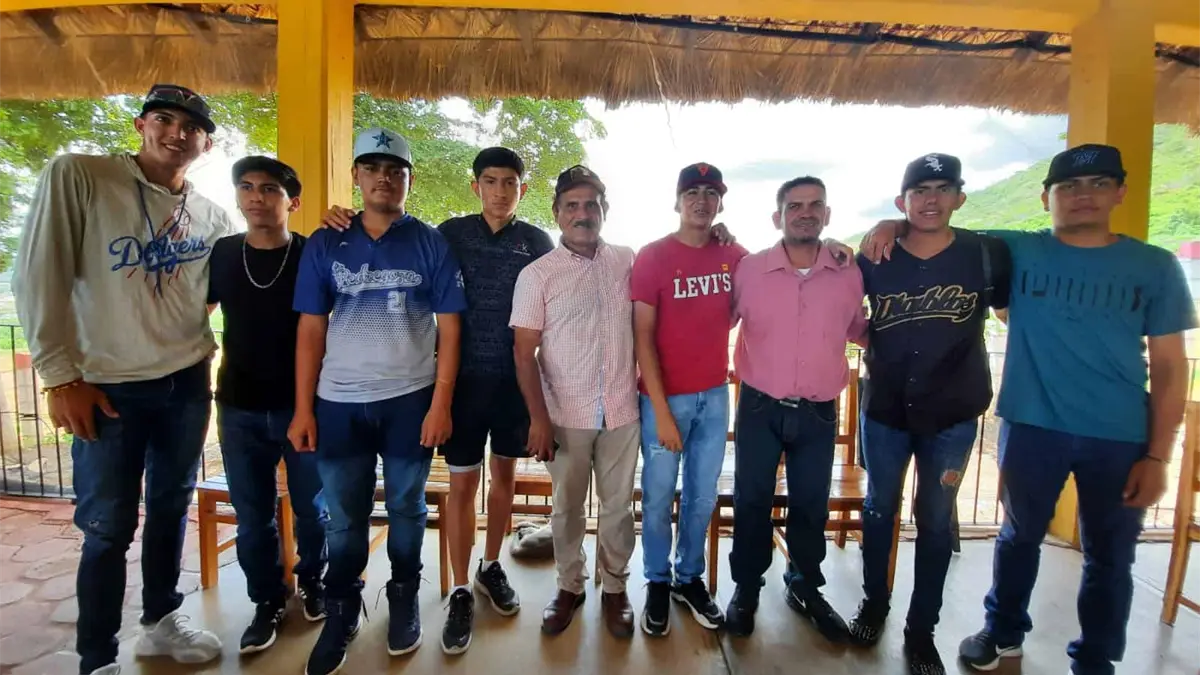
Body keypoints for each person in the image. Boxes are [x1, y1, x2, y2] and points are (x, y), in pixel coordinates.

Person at [860, 144, 1194, 675]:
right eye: (1068, 187)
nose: (1083, 196)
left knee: (1110, 556)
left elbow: (1173, 367)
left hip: (1119, 432)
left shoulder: (1151, 266)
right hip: (1031, 425)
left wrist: (1158, 456)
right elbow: (929, 228)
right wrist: (888, 223)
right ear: (1046, 198)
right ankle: (1001, 634)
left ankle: (1094, 661)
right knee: (1017, 539)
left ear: (1121, 193)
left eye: (1099, 184)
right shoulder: (1016, 249)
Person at [13, 84, 230, 675]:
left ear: (207, 144)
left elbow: (210, 293)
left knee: (171, 506)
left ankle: (160, 621)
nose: (177, 133)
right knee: (107, 526)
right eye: (164, 119)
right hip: (107, 388)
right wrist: (60, 376)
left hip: (187, 382)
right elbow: (38, 276)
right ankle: (98, 658)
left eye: (192, 127)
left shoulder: (212, 216)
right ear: (140, 124)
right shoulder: (80, 176)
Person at [324, 147, 556, 653]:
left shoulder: (538, 242)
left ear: (522, 189)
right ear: (476, 187)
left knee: (504, 480)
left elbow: (557, 303)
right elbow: (393, 233)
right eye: (490, 181)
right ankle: (459, 588)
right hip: (460, 383)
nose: (500, 191)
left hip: (515, 383)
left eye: (510, 182)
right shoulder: (448, 234)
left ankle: (490, 566)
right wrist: (342, 215)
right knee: (462, 485)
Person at [289, 127, 466, 675]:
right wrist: (303, 408)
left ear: (409, 179)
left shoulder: (430, 242)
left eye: (395, 171)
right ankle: (342, 609)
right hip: (338, 403)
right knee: (344, 516)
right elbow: (310, 329)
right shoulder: (326, 241)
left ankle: (404, 596)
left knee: (409, 507)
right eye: (372, 168)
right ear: (356, 176)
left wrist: (440, 404)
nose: (384, 178)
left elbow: (451, 328)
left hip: (411, 400)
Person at [848, 154, 1012, 675]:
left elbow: (1013, 314)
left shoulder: (986, 255)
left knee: (936, 520)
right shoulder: (874, 255)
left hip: (953, 412)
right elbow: (843, 305)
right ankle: (874, 605)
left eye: (942, 188)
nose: (931, 199)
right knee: (879, 509)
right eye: (920, 191)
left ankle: (922, 632)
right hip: (886, 409)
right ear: (903, 201)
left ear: (960, 197)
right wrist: (885, 226)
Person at [725, 176, 867, 641]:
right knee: (752, 499)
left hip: (818, 411)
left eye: (815, 205)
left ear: (827, 214)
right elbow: (714, 319)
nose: (805, 212)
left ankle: (804, 586)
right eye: (795, 205)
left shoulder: (848, 272)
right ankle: (747, 587)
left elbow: (860, 329)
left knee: (811, 502)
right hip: (759, 407)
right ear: (777, 217)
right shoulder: (749, 270)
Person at [510, 165, 640, 639]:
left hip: (622, 411)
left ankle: (616, 588)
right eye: (572, 205)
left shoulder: (627, 261)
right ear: (557, 213)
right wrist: (538, 419)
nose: (582, 213)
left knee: (618, 508)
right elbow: (523, 353)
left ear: (605, 209)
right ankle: (569, 586)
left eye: (591, 204)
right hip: (565, 415)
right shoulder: (537, 275)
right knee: (566, 508)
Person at [207, 156, 329, 654]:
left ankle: (314, 582)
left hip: (303, 406)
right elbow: (194, 311)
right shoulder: (222, 253)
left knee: (312, 508)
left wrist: (307, 407)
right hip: (237, 405)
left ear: (292, 202)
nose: (257, 197)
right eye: (247, 187)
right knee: (252, 513)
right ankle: (267, 600)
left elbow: (324, 326)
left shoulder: (310, 254)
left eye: (270, 189)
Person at [632, 163, 747, 637]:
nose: (702, 201)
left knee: (702, 495)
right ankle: (657, 580)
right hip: (664, 398)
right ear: (677, 201)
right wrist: (661, 411)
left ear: (720, 203)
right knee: (659, 496)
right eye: (693, 192)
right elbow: (642, 336)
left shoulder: (734, 255)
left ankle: (688, 578)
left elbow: (760, 289)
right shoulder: (653, 256)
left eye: (711, 193)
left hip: (714, 396)